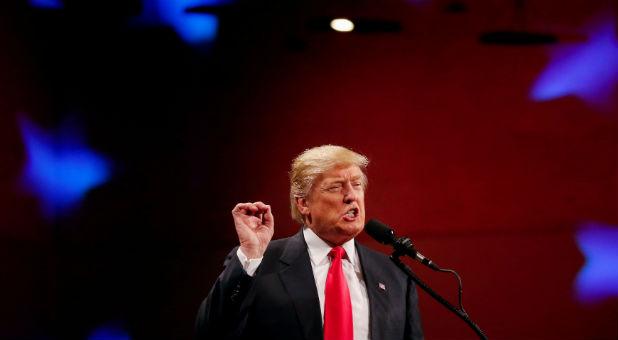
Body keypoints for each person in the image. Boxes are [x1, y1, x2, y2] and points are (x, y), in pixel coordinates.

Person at [195, 145, 423, 340]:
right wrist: (251, 256)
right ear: (304, 203)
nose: (351, 195)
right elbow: (209, 331)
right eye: (336, 187)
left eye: (356, 184)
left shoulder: (395, 275)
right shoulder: (261, 263)